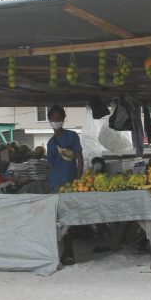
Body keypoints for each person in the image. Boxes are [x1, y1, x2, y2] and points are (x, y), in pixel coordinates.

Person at [45, 104, 83, 265]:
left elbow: (79, 158)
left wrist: (78, 178)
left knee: (69, 219)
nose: (56, 121)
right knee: (58, 220)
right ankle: (60, 253)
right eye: (53, 119)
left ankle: (69, 252)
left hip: (70, 182)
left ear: (63, 119)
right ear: (49, 120)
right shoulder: (50, 143)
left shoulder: (72, 136)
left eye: (59, 119)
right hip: (55, 183)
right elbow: (51, 165)